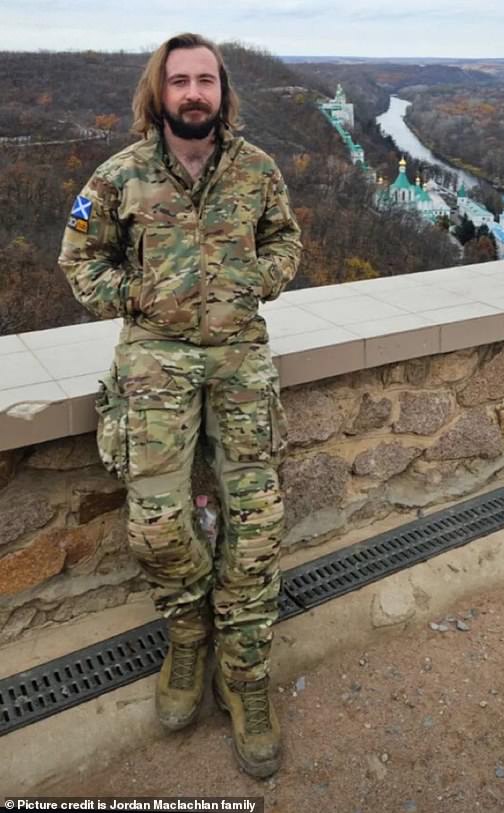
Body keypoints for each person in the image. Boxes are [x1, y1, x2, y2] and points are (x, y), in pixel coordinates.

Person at [59, 33, 301, 779]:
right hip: (155, 363)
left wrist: (256, 280)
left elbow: (286, 241)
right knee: (158, 525)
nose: (194, 93)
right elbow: (79, 260)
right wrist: (138, 296)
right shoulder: (118, 176)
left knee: (256, 523)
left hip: (239, 361)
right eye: (180, 81)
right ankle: (189, 631)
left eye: (206, 81)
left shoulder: (257, 170)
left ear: (222, 92)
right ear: (158, 94)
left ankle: (247, 668)